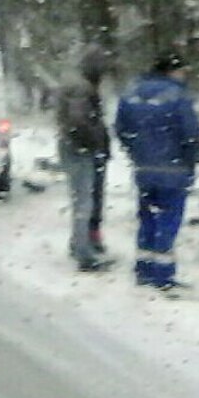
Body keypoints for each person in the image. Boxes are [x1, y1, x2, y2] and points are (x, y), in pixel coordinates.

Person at [114, 52, 199, 292]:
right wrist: (193, 158)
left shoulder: (132, 93)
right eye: (182, 71)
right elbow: (190, 132)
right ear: (171, 71)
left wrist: (136, 152)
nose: (185, 75)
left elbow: (121, 128)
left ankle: (143, 269)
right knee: (168, 220)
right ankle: (163, 275)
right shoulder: (178, 95)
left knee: (147, 217)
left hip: (143, 169)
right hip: (173, 168)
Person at [55, 46, 114, 272]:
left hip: (74, 147)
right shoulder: (82, 88)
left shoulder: (76, 84)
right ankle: (84, 253)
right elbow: (79, 122)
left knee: (82, 199)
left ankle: (80, 243)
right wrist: (94, 141)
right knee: (84, 201)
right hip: (80, 149)